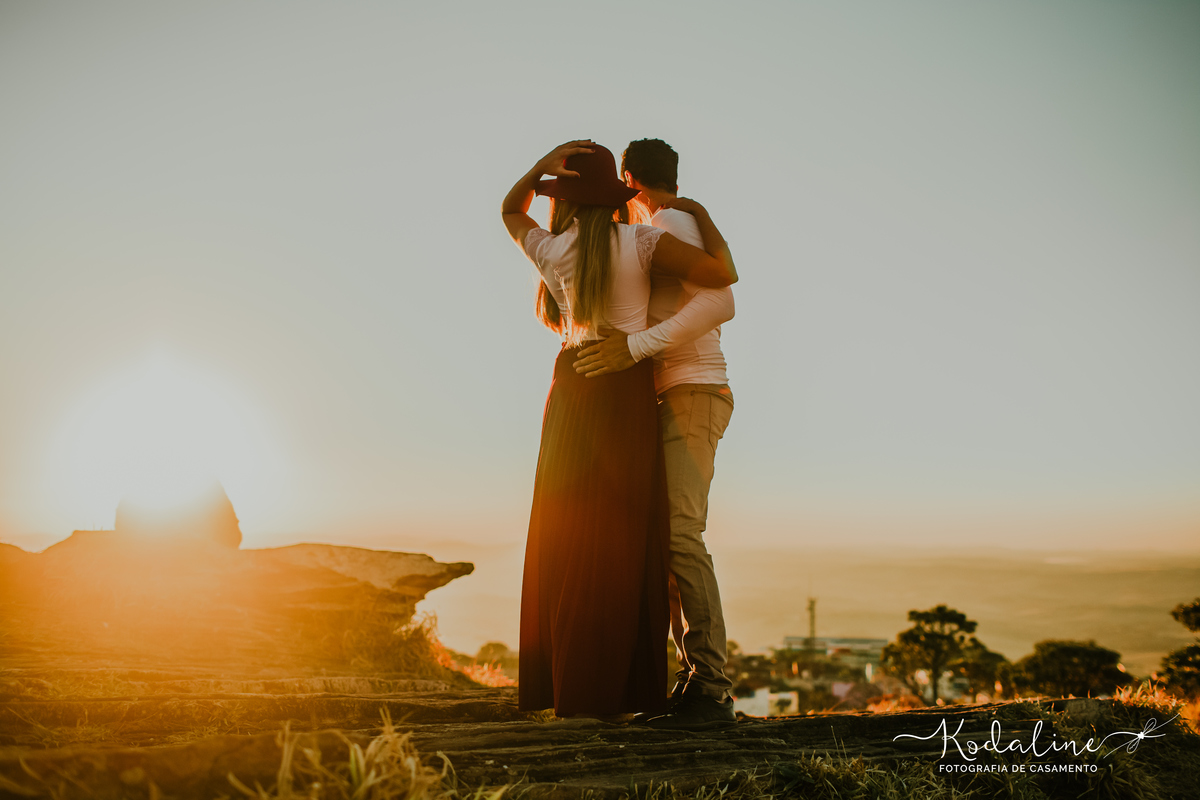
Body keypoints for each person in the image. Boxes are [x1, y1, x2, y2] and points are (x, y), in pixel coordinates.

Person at [501, 140, 737, 718]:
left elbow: (510, 210)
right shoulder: (643, 240)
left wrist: (539, 167)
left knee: (572, 528)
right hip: (627, 388)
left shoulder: (551, 248)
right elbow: (723, 278)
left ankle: (578, 682)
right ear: (617, 192)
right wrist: (700, 212)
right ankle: (639, 684)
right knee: (632, 535)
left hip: (575, 384)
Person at [570, 138, 737, 730]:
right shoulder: (668, 223)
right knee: (665, 543)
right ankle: (691, 683)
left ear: (629, 178)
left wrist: (636, 347)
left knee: (681, 537)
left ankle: (712, 691)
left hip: (694, 389)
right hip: (673, 394)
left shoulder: (667, 223)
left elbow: (721, 300)